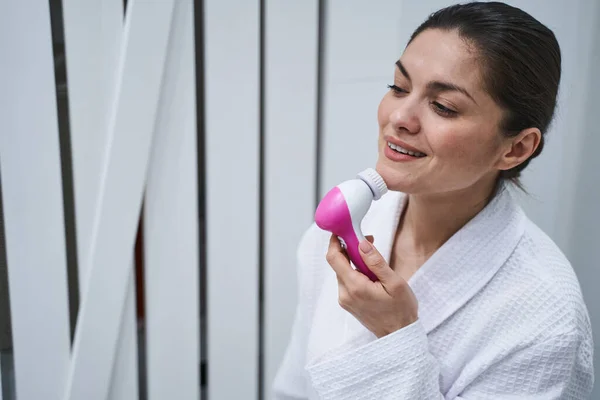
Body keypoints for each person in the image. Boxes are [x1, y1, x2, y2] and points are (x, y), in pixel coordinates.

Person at [272, 2, 595, 399]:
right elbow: (293, 388)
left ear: (515, 149)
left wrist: (395, 335)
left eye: (443, 106)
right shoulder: (343, 234)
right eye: (398, 87)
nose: (400, 117)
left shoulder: (545, 320)